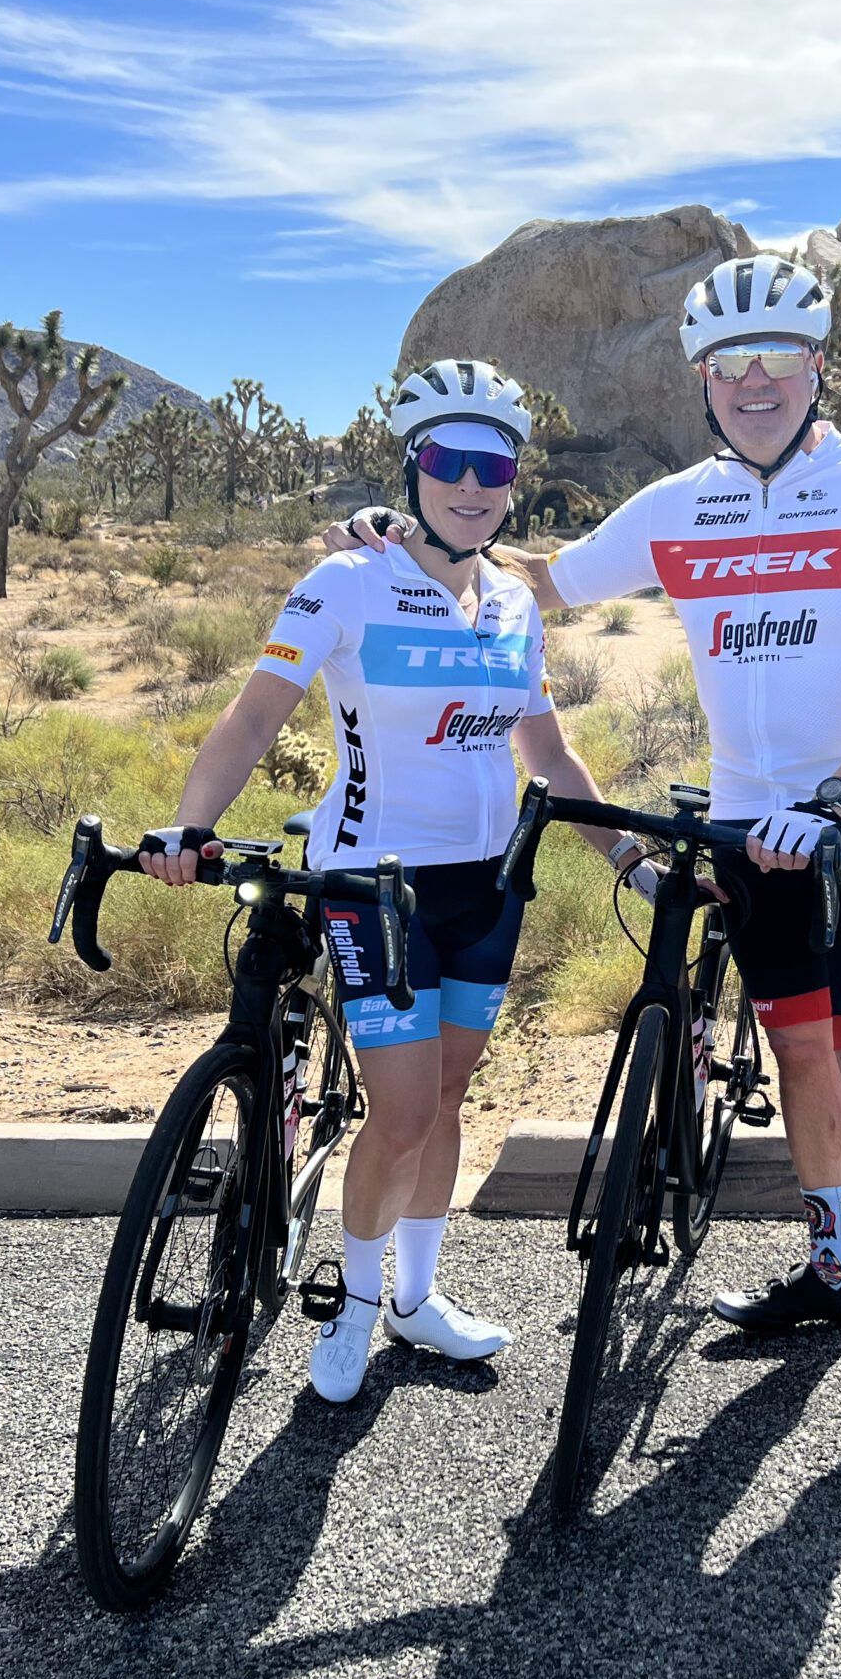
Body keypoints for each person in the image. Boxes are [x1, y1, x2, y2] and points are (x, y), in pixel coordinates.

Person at [330, 255, 841, 1452]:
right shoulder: (684, 505)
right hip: (745, 821)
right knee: (804, 1063)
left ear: (818, 369)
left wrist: (834, 801)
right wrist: (398, 532)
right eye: (733, 367)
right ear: (704, 383)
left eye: (780, 363)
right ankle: (830, 1270)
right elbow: (539, 578)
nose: (757, 385)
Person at [142, 357, 647, 1405]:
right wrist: (189, 826)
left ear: (516, 482)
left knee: (451, 1095)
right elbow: (250, 718)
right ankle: (359, 1306)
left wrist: (629, 860)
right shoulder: (345, 582)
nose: (473, 484)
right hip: (373, 885)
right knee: (405, 1113)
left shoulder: (513, 603)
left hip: (488, 887)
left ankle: (418, 1298)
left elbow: (548, 759)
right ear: (414, 469)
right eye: (450, 462)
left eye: (494, 467)